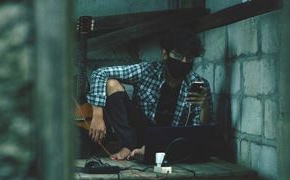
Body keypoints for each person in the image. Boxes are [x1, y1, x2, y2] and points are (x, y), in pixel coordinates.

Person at [86, 28, 213, 160]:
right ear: (165, 53)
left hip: (170, 140)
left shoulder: (198, 84)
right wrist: (97, 115)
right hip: (140, 131)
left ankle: (147, 151)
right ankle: (128, 146)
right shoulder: (147, 70)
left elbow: (199, 131)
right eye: (178, 55)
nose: (184, 61)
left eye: (189, 57)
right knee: (111, 83)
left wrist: (204, 106)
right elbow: (100, 73)